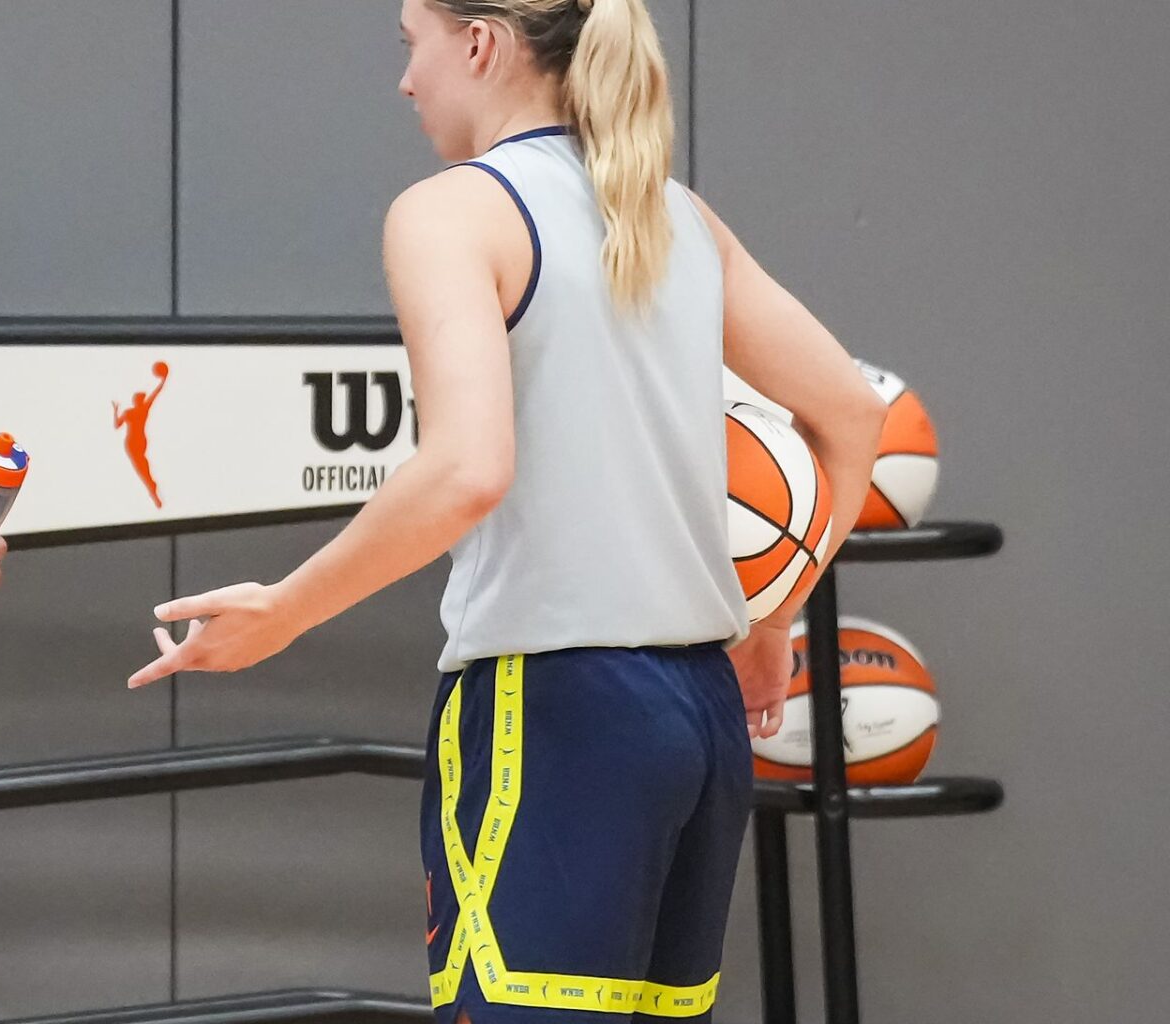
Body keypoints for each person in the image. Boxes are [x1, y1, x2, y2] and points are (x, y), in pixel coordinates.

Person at [129, 1, 886, 1020]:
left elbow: (466, 471)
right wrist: (773, 615)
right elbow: (849, 414)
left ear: (479, 44)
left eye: (413, 44)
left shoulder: (450, 213)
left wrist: (286, 609)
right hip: (701, 716)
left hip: (558, 710)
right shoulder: (676, 214)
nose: (406, 81)